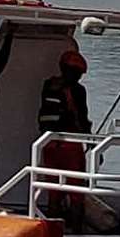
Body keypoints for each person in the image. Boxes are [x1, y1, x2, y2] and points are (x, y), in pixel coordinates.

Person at [38, 50, 91, 225]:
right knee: (76, 192)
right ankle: (76, 229)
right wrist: (91, 140)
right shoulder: (78, 90)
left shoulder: (48, 85)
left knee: (54, 191)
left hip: (49, 144)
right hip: (70, 146)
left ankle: (54, 228)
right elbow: (82, 118)